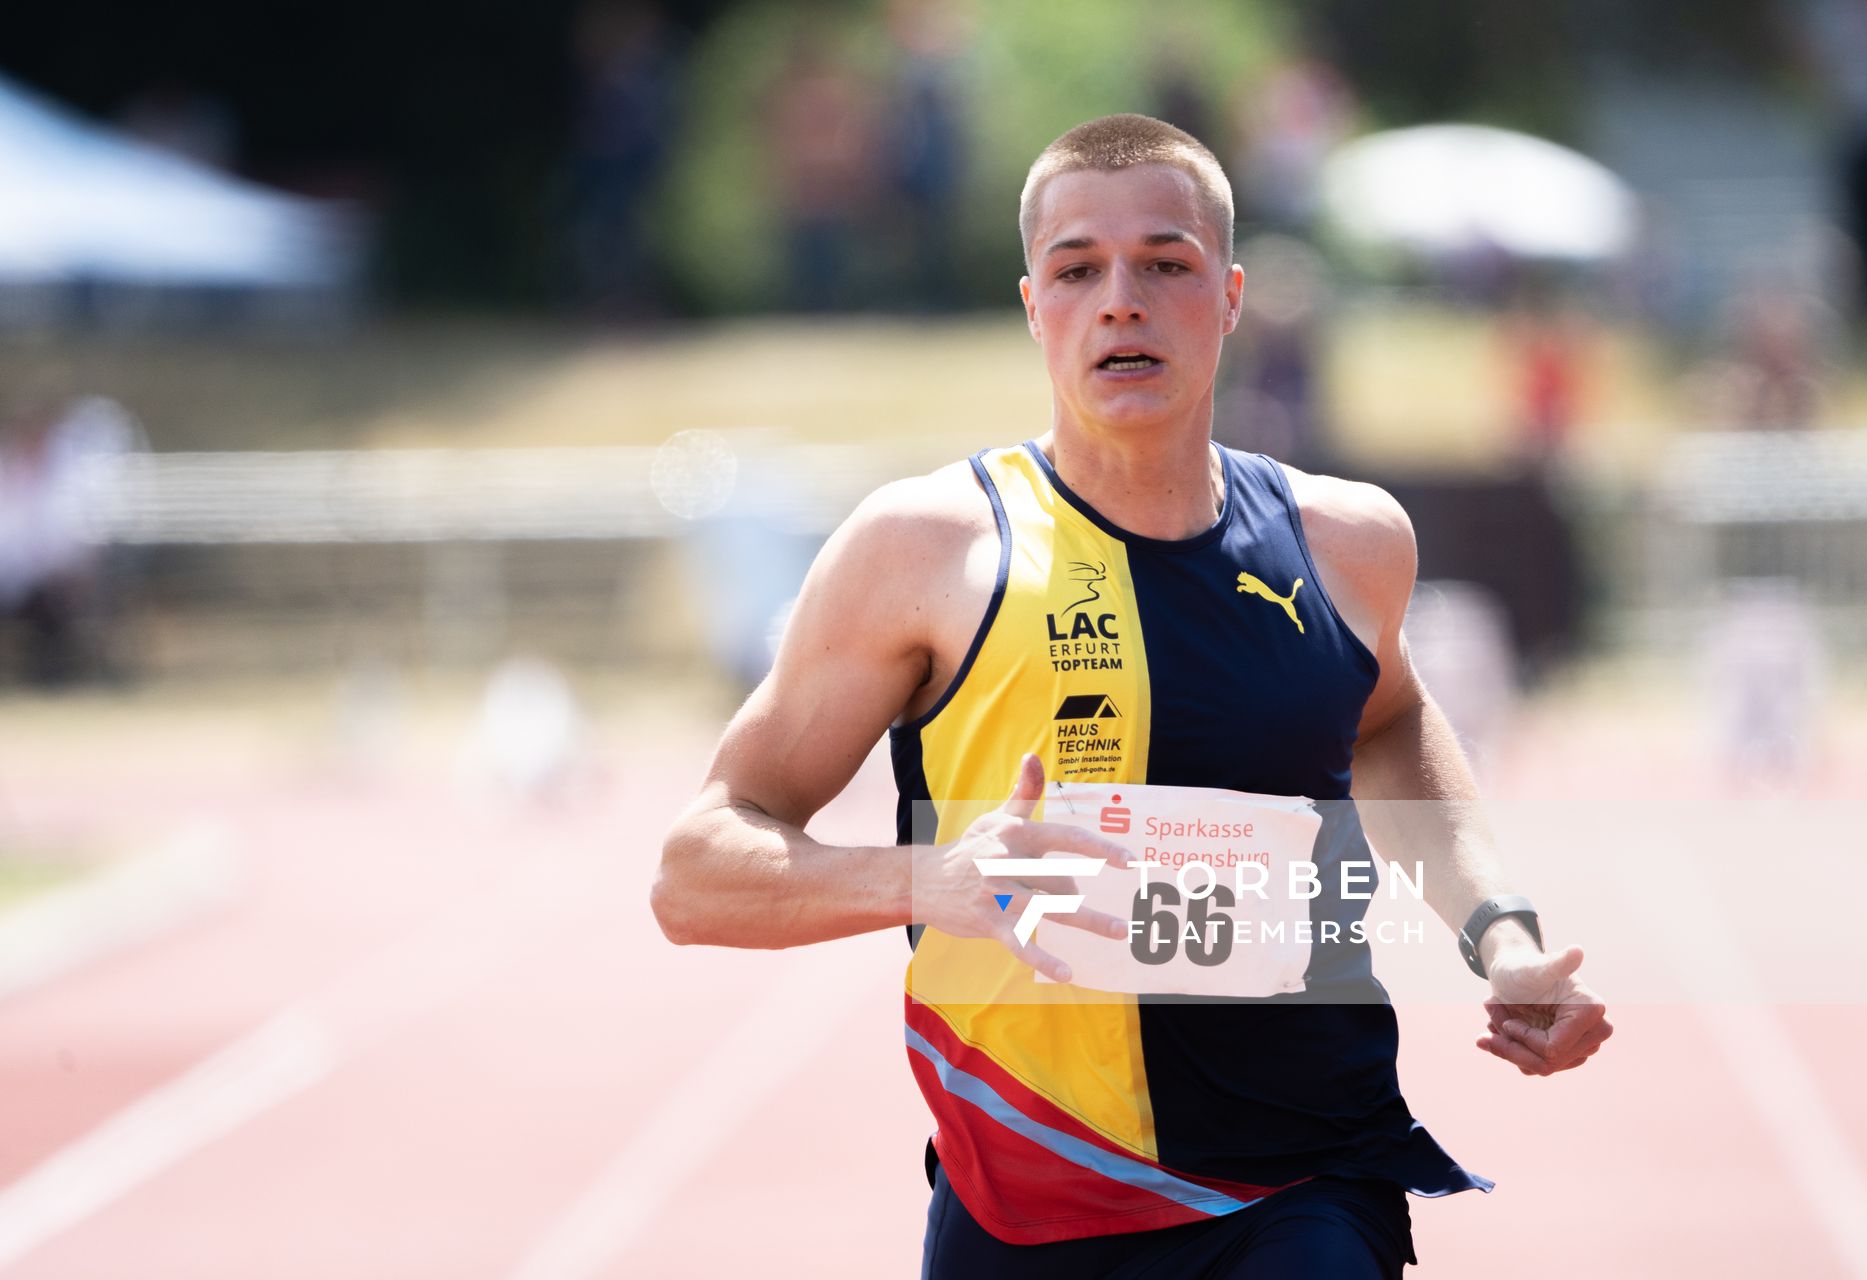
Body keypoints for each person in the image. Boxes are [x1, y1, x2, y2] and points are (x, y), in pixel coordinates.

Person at [656, 114, 1611, 1278]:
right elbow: (696, 868)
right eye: (1078, 269)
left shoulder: (1349, 543)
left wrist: (1500, 934)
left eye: (1166, 262)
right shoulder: (925, 551)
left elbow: (1391, 720)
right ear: (1032, 306)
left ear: (1231, 296)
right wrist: (930, 878)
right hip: (1027, 1197)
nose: (1122, 299)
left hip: (1305, 1177)